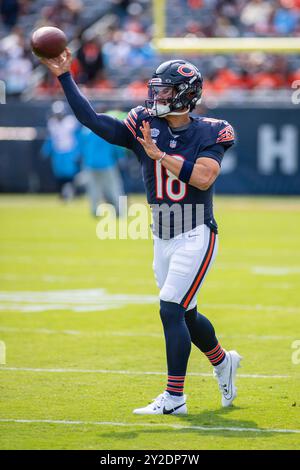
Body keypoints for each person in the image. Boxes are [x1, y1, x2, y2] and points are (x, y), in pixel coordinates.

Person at [37, 48, 241, 415]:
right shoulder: (144, 122)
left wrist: (160, 155)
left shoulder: (213, 131)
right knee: (187, 315)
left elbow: (205, 176)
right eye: (157, 90)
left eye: (166, 91)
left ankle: (175, 398)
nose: (158, 97)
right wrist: (64, 76)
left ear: (186, 94)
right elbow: (94, 122)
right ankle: (223, 361)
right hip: (161, 234)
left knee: (169, 309)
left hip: (196, 231)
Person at [79, 122, 125, 216]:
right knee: (114, 188)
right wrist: (120, 157)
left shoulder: (85, 131)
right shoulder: (108, 130)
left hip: (91, 164)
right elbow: (117, 146)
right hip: (107, 163)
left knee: (94, 189)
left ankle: (94, 210)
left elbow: (81, 148)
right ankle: (119, 210)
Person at [41, 100, 81, 200]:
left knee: (70, 173)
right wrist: (46, 150)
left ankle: (72, 193)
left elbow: (78, 137)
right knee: (59, 173)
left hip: (69, 150)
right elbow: (50, 138)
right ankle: (61, 194)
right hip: (57, 151)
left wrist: (78, 151)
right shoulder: (52, 123)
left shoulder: (71, 122)